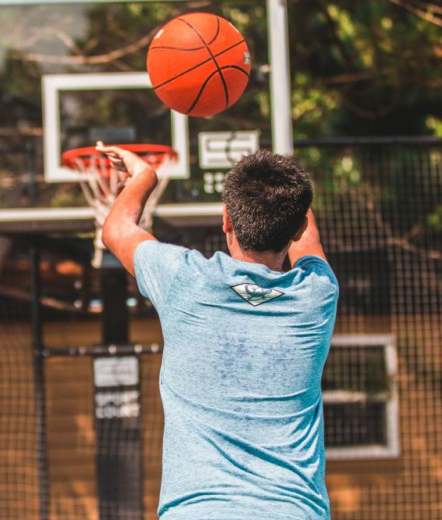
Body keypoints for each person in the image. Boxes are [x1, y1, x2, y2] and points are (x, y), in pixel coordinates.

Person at [97, 142, 339, 519]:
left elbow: (115, 230)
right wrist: (277, 187)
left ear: (226, 219)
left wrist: (145, 176)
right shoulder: (317, 296)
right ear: (297, 227)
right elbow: (308, 240)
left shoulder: (184, 281)